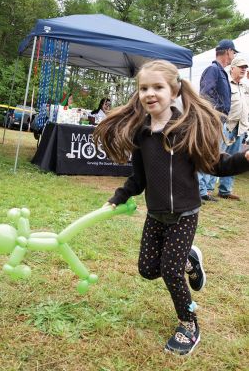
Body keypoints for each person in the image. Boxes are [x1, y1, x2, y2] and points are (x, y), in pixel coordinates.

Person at [93, 60, 249, 355]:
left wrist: (244, 158)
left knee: (170, 271)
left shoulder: (187, 128)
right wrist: (119, 197)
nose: (149, 93)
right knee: (147, 269)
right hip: (155, 214)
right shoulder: (142, 135)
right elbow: (138, 178)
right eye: (143, 88)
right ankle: (191, 259)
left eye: (157, 87)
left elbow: (217, 165)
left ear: (174, 90)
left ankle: (189, 323)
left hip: (184, 215)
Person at [198, 39, 238, 202]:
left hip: (219, 119)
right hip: (213, 119)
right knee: (205, 154)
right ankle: (199, 191)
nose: (234, 56)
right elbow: (205, 95)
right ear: (228, 51)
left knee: (212, 155)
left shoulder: (221, 71)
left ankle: (204, 191)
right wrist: (214, 115)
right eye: (234, 52)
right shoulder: (213, 69)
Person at [214, 57, 249, 199]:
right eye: (240, 66)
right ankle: (206, 190)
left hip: (240, 128)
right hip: (226, 125)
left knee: (235, 159)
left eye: (245, 67)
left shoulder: (246, 87)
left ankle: (225, 191)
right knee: (216, 157)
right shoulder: (226, 84)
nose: (243, 69)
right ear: (232, 68)